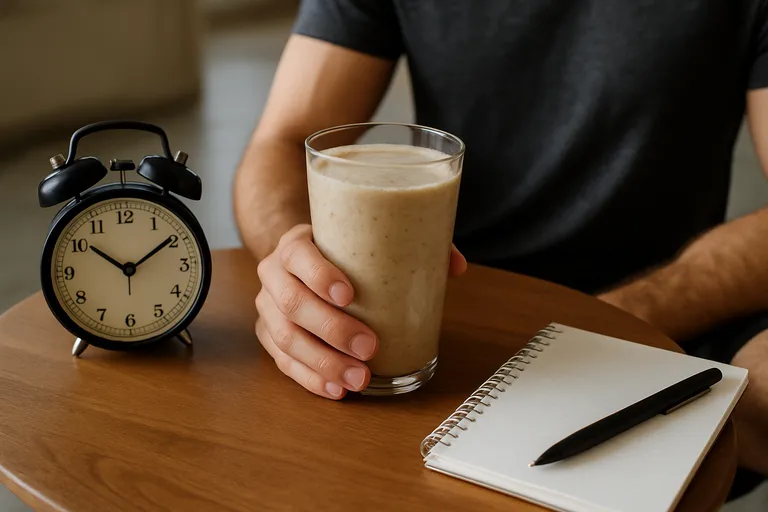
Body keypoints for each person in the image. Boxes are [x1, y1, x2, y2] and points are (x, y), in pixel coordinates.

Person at [233, 0, 768, 499]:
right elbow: (284, 140)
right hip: (444, 314)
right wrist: (299, 273)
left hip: (669, 317)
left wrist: (616, 317)